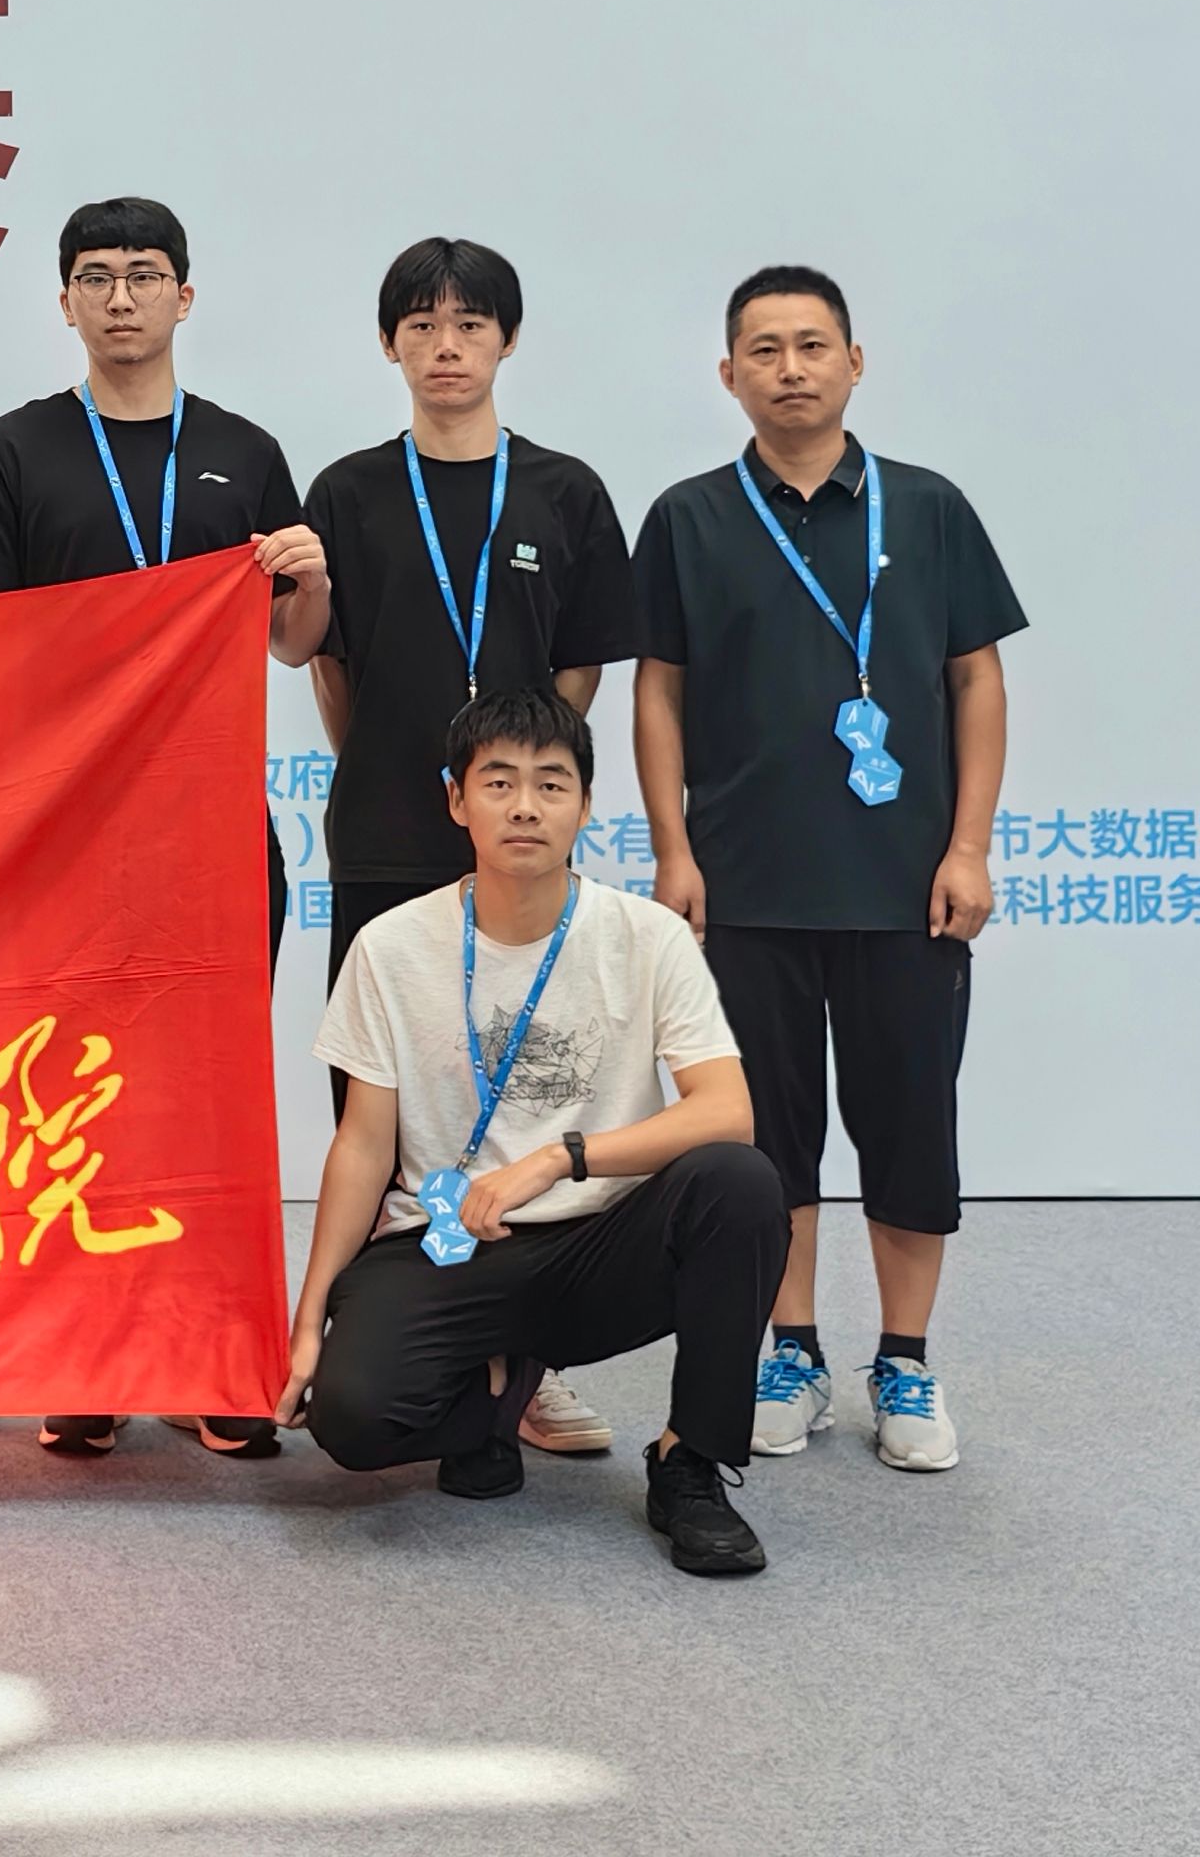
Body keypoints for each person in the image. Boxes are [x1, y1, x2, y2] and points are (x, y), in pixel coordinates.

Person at [0, 193, 327, 1461]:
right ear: (64, 301)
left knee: (202, 1101)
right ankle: (89, 1361)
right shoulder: (16, 450)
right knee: (66, 1099)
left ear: (184, 296)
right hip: (63, 839)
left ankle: (213, 1360)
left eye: (145, 273)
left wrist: (311, 578)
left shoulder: (243, 451)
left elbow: (292, 642)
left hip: (212, 834)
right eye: (97, 276)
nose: (121, 297)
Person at [633, 266, 1023, 1476]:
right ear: (727, 375)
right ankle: (789, 1350)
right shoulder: (689, 518)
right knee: (768, 1140)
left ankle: (904, 1358)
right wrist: (672, 851)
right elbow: (659, 692)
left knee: (911, 1130)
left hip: (907, 890)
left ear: (856, 363)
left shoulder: (929, 508)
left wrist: (967, 845)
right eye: (764, 349)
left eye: (812, 345)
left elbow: (975, 679)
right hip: (744, 889)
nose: (789, 368)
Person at [283, 688, 788, 1578]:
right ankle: (493, 1390)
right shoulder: (391, 947)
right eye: (499, 782)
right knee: (352, 1420)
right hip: (446, 1245)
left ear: (585, 807)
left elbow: (726, 1110)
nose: (525, 806)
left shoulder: (648, 936)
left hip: (599, 1242)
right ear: (456, 800)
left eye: (552, 785)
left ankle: (692, 1463)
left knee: (738, 1184)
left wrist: (562, 1159)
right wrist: (310, 1315)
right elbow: (362, 1145)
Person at [298, 236, 641, 1460]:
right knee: (383, 1110)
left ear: (507, 340)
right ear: (388, 342)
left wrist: (512, 790)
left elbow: (579, 669)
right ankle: (384, 1333)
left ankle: (525, 1363)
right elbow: (330, 666)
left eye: (470, 324)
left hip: (520, 860)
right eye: (422, 325)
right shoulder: (346, 491)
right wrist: (413, 774)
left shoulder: (564, 491)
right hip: (385, 840)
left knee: (524, 1094)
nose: (446, 347)